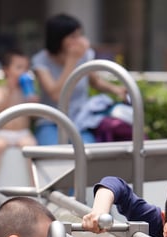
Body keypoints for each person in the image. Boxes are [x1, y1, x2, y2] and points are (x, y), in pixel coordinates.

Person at [31, 13, 128, 145]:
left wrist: (115, 89)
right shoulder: (41, 60)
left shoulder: (85, 56)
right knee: (53, 156)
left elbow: (94, 81)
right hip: (50, 122)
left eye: (79, 35)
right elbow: (57, 95)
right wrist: (72, 61)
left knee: (87, 153)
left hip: (80, 121)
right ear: (58, 38)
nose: (78, 40)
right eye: (73, 36)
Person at [0, 50, 38, 188]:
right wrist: (9, 90)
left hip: (22, 132)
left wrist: (33, 100)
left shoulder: (27, 90)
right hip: (4, 132)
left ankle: (35, 185)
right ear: (7, 70)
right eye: (18, 67)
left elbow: (35, 114)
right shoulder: (1, 89)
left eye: (26, 68)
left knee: (31, 147)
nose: (23, 72)